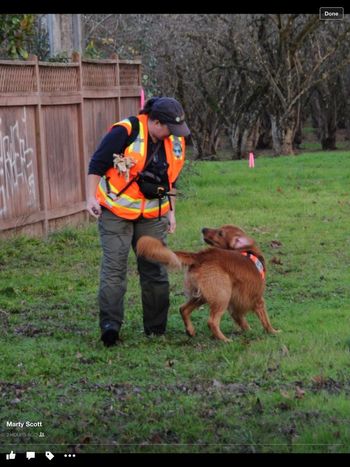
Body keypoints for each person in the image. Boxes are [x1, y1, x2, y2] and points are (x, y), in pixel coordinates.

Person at [87, 96, 190, 347]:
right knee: (115, 268)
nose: (173, 135)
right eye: (169, 129)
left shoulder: (175, 141)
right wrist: (90, 197)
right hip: (116, 212)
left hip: (153, 215)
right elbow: (97, 164)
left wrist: (171, 211)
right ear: (155, 122)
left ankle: (156, 328)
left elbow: (171, 181)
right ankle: (110, 328)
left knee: (155, 269)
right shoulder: (126, 131)